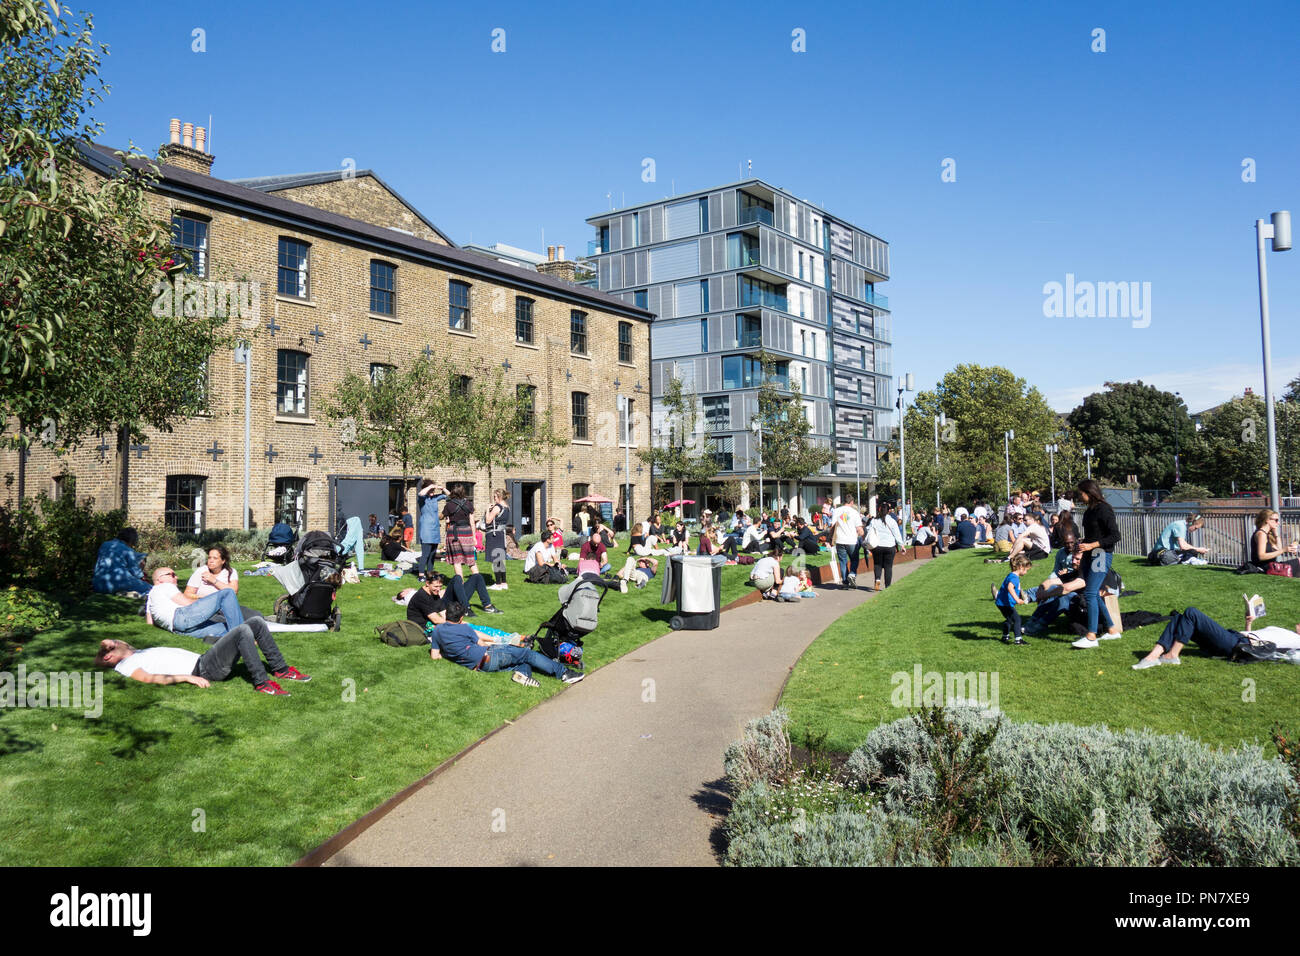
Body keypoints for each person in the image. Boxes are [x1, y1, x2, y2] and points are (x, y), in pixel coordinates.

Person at [94, 622, 310, 696]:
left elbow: (121, 645)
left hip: (206, 659)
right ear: (111, 656)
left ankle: (281, 669)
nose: (116, 641)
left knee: (255, 623)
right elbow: (151, 679)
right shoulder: (126, 665)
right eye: (113, 645)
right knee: (244, 630)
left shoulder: (135, 652)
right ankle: (262, 684)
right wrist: (187, 678)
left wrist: (113, 645)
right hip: (204, 669)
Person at [426, 601, 584, 688]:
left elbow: (435, 656)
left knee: (521, 659)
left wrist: (450, 653)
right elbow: (481, 643)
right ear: (461, 618)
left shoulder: (438, 631)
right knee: (526, 652)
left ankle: (522, 675)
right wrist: (496, 643)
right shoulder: (464, 628)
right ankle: (564, 673)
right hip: (488, 656)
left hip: (479, 667)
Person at [1132, 598, 1281, 669]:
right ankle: (1153, 656)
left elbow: (1252, 646)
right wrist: (1249, 623)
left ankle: (1172, 656)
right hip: (1236, 640)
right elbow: (1252, 640)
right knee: (1179, 618)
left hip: (1234, 644)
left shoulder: (1292, 637)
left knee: (1191, 612)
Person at [1071, 479, 1123, 649]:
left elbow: (1115, 536)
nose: (1079, 497)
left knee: (1091, 593)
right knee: (1092, 592)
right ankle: (1112, 630)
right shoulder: (1088, 511)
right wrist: (1083, 543)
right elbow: (1093, 534)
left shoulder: (1104, 509)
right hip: (1089, 554)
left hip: (1101, 554)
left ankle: (1091, 636)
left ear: (1089, 492)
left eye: (1081, 493)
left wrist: (1092, 545)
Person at [145, 566, 246, 643]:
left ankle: (233, 638)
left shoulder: (151, 595)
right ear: (160, 579)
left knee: (227, 629)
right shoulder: (165, 586)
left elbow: (150, 622)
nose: (176, 577)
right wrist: (210, 603)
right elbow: (188, 603)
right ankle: (243, 637)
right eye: (172, 574)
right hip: (182, 618)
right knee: (227, 592)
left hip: (178, 629)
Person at [184, 545, 262, 622]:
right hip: (206, 608)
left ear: (223, 560)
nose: (211, 561)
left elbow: (233, 592)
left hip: (226, 607)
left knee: (257, 616)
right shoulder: (201, 572)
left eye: (215, 558)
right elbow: (187, 594)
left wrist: (214, 580)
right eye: (209, 557)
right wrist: (207, 598)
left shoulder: (230, 572)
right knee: (222, 621)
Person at [91, 527, 151, 596]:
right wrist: (142, 576)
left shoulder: (104, 545)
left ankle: (125, 593)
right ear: (132, 540)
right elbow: (136, 573)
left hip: (98, 585)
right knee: (150, 589)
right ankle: (127, 593)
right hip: (118, 583)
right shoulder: (128, 550)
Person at [441, 483, 479, 583]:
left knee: (456, 559)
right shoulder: (468, 504)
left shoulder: (449, 505)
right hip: (466, 531)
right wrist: (474, 537)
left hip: (454, 533)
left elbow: (441, 516)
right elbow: (472, 522)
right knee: (471, 559)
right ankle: (478, 582)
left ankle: (460, 583)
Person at [994, 553, 1032, 645]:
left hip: (1001, 603)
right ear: (1020, 566)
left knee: (1009, 620)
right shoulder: (1014, 577)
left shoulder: (1011, 575)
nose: (1026, 573)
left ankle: (1005, 636)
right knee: (1017, 619)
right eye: (1026, 570)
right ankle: (1018, 639)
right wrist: (1017, 600)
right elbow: (1010, 587)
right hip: (1005, 604)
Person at [867, 500, 905, 590]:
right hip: (889, 546)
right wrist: (902, 545)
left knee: (877, 564)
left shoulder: (874, 521)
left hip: (877, 546)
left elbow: (869, 531)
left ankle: (877, 579)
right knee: (888, 566)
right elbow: (897, 534)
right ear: (888, 511)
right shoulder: (892, 521)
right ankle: (887, 586)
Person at [1250, 509, 1300, 574]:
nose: (1278, 523)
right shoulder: (1261, 534)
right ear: (1267, 520)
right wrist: (1284, 550)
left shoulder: (1267, 534)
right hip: (1266, 568)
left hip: (1272, 566)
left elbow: (1278, 549)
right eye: (1276, 520)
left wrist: (1276, 534)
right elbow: (1261, 556)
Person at [830, 494, 865, 586]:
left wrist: (830, 539)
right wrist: (864, 538)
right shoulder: (854, 512)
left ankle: (845, 581)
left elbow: (832, 526)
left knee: (842, 562)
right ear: (852, 502)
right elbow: (859, 529)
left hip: (839, 540)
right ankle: (852, 574)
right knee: (854, 560)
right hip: (851, 540)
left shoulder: (836, 511)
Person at [416, 479, 447, 577]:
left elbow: (450, 496)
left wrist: (443, 488)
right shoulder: (422, 498)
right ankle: (421, 574)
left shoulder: (435, 498)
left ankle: (430, 573)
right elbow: (420, 493)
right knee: (426, 553)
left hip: (435, 529)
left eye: (433, 491)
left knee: (432, 554)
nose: (433, 492)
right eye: (431, 490)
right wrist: (430, 487)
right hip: (426, 529)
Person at [484, 488, 512, 590]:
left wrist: (487, 509)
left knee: (496, 559)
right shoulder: (507, 507)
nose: (494, 499)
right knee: (500, 559)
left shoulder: (497, 507)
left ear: (499, 496)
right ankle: (504, 583)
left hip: (494, 535)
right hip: (501, 534)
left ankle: (498, 584)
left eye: (495, 497)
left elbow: (487, 521)